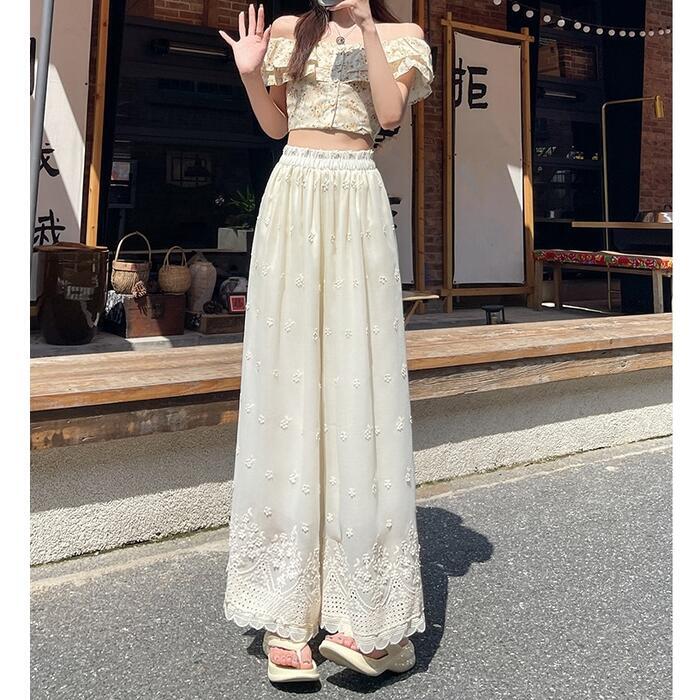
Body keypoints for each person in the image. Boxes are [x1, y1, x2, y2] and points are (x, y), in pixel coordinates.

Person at [219, 0, 434, 684]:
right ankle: (285, 613)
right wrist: (250, 73)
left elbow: (390, 114)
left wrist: (366, 27)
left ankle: (370, 616)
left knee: (358, 379)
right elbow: (276, 124)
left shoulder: (402, 36)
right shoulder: (290, 31)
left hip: (356, 194)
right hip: (294, 190)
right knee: (288, 382)